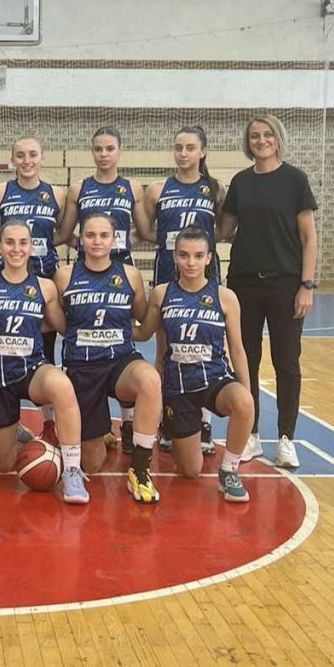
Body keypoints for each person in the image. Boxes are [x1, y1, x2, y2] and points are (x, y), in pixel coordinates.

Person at [0, 222, 90, 504]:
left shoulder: (45, 287)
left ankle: (72, 471)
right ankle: (13, 427)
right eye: (10, 242)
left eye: (22, 243)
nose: (16, 249)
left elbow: (63, 327)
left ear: (31, 247)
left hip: (32, 369)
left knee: (62, 386)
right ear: (0, 246)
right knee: (3, 466)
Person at [217, 114, 318, 470]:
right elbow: (224, 231)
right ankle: (252, 434)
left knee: (286, 361)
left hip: (285, 283)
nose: (261, 141)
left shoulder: (295, 180)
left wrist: (306, 285)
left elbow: (309, 237)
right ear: (248, 143)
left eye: (267, 135)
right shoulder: (241, 182)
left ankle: (286, 438)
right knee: (246, 359)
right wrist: (210, 201)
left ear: (277, 138)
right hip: (244, 282)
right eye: (254, 136)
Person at [134, 227, 255, 502]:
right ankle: (177, 428)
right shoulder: (161, 294)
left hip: (214, 379)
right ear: (175, 257)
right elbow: (144, 333)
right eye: (184, 255)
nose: (191, 262)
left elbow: (237, 349)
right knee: (190, 471)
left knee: (244, 403)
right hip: (178, 387)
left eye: (198, 256)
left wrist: (247, 394)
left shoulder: (225, 297)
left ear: (209, 258)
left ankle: (229, 471)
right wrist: (107, 324)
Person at [56, 213, 162, 502]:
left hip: (119, 361)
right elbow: (59, 323)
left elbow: (142, 321)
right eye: (90, 235)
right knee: (92, 463)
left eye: (104, 235)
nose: (97, 241)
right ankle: (100, 429)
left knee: (150, 380)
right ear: (81, 239)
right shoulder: (65, 275)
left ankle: (139, 469)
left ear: (114, 240)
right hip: (82, 367)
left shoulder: (129, 275)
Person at [57, 126, 146, 453]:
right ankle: (97, 422)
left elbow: (145, 231)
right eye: (98, 149)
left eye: (110, 148)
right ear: (92, 152)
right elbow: (65, 232)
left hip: (120, 271)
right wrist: (84, 245)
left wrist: (119, 243)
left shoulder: (131, 187)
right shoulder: (79, 188)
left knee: (121, 340)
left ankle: (128, 423)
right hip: (87, 272)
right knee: (88, 338)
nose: (104, 154)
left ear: (120, 151)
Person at [141, 125, 224, 455]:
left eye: (190, 147)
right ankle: (169, 416)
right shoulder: (158, 190)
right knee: (166, 350)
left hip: (204, 276)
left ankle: (204, 422)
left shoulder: (214, 189)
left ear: (203, 151)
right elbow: (146, 230)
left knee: (206, 347)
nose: (184, 153)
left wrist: (201, 250)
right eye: (178, 147)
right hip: (167, 272)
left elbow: (223, 229)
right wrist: (172, 246)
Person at [0, 137, 66, 445]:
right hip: (7, 278)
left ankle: (48, 422)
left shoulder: (56, 194)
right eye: (20, 155)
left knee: (44, 350)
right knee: (5, 349)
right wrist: (11, 243)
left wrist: (35, 246)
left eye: (33, 154)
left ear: (42, 158)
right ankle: (12, 420)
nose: (27, 160)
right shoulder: (0, 192)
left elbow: (63, 232)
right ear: (13, 160)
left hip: (44, 277)